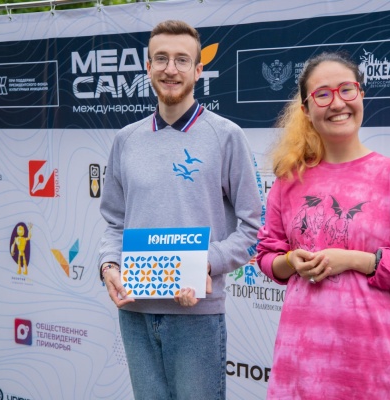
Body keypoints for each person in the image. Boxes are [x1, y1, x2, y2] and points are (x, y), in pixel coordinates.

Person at [97, 20, 263, 400]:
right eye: (161, 59)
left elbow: (254, 230)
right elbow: (114, 223)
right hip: (135, 313)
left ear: (198, 70)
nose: (170, 69)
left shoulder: (226, 136)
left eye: (182, 60)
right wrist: (109, 266)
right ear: (148, 66)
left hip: (197, 317)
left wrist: (204, 262)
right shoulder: (125, 140)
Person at [256, 52, 390, 399]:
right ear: (306, 109)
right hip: (300, 372)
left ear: (361, 94)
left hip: (375, 374)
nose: (337, 103)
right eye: (323, 94)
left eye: (346, 90)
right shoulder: (289, 180)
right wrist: (290, 261)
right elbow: (267, 256)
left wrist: (354, 260)